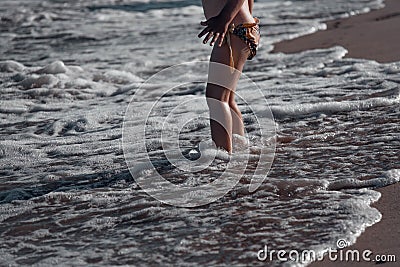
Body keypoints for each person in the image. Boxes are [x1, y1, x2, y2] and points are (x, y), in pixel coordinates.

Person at [198, 0, 260, 154]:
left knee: (217, 98)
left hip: (233, 29)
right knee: (227, 99)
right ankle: (239, 147)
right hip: (241, 29)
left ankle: (223, 158)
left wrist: (224, 19)